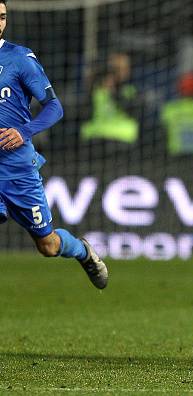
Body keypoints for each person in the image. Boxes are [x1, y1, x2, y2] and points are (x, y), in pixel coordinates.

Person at [0, 0, 108, 289]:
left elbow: (54, 107)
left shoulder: (18, 58)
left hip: (16, 165)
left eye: (2, 17)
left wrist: (24, 131)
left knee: (47, 244)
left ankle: (83, 251)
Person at [81, 51, 139, 144]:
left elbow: (134, 112)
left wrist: (114, 92)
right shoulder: (97, 90)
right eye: (117, 69)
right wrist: (91, 85)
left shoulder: (130, 90)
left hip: (122, 138)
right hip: (97, 137)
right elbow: (85, 114)